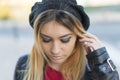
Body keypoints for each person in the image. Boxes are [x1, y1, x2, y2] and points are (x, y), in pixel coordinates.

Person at [14, 0, 119, 80]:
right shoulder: (24, 65)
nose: (55, 50)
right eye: (46, 39)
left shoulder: (94, 69)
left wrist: (102, 60)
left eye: (65, 40)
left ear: (78, 36)